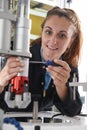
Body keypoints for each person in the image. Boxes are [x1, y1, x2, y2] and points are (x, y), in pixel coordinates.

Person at [0, 6, 82, 117]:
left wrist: (62, 86)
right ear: (42, 32)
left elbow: (74, 110)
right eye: (48, 32)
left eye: (62, 35)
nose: (53, 41)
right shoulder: (17, 57)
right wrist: (1, 80)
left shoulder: (69, 69)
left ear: (70, 41)